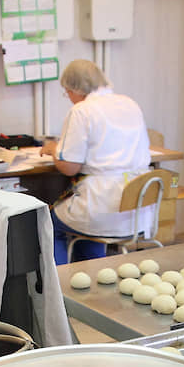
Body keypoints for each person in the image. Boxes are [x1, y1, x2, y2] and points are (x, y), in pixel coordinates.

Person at [40, 59, 153, 265]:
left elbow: (69, 167)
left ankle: (59, 282)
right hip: (138, 209)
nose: (69, 98)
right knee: (83, 220)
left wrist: (53, 150)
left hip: (102, 207)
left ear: (75, 89)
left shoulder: (82, 111)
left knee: (48, 222)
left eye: (67, 93)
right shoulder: (129, 104)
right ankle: (93, 272)